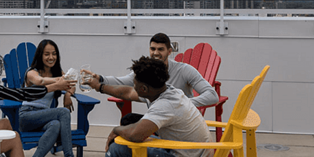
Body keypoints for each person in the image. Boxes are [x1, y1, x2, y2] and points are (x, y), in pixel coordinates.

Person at [69, 56, 214, 157]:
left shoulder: (165, 105)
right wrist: (99, 86)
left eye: (135, 82)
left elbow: (136, 135)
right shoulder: (167, 90)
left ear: (144, 89)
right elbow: (127, 92)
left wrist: (116, 129)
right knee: (130, 121)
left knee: (118, 148)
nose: (133, 84)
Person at [82, 32, 218, 124]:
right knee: (128, 120)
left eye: (160, 49)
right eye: (153, 49)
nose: (155, 53)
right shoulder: (146, 71)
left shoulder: (184, 70)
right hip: (157, 119)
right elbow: (123, 83)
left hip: (179, 121)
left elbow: (212, 95)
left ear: (169, 52)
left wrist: (182, 104)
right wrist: (99, 78)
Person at [21, 40, 92, 157]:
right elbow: (40, 81)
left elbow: (71, 84)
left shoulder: (57, 72)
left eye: (54, 54)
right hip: (27, 116)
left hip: (44, 119)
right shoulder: (31, 72)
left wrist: (67, 94)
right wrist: (59, 82)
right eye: (46, 54)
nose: (51, 57)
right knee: (63, 113)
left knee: (55, 125)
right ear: (40, 56)